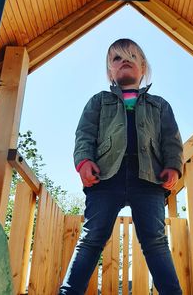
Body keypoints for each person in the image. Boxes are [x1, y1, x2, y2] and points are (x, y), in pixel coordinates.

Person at [59, 38, 183, 295]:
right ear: (110, 71)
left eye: (131, 57)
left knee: (155, 241)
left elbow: (171, 139)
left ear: (143, 67)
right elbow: (84, 135)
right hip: (105, 177)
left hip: (149, 179)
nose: (123, 61)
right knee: (91, 239)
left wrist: (173, 165)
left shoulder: (159, 105)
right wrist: (83, 161)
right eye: (116, 58)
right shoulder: (98, 101)